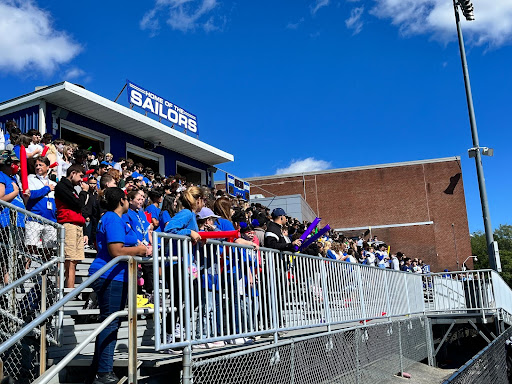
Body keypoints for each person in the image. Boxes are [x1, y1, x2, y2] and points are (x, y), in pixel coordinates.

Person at [87, 187, 148, 384]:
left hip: (117, 276)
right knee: (110, 323)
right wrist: (139, 249)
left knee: (111, 322)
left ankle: (98, 369)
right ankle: (103, 372)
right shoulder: (112, 218)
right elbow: (116, 250)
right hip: (110, 275)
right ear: (122, 200)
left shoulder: (117, 219)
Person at [55, 164, 87, 288]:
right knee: (67, 260)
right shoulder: (61, 186)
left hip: (77, 225)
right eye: (80, 176)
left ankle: (70, 290)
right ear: (72, 173)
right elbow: (77, 204)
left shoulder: (73, 189)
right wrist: (84, 193)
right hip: (68, 225)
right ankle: (63, 290)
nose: (82, 180)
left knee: (74, 260)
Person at [0, 150, 27, 283]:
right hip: (7, 222)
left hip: (19, 221)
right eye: (15, 163)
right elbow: (1, 198)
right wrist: (16, 191)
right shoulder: (1, 176)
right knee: (7, 257)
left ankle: (12, 284)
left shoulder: (14, 178)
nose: (18, 166)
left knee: (16, 255)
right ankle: (7, 285)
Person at [26, 156, 57, 259]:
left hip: (50, 221)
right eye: (36, 165)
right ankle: (26, 270)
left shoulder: (54, 184)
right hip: (34, 219)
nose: (38, 167)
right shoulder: (30, 179)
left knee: (49, 249)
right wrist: (47, 189)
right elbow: (32, 194)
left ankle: (45, 271)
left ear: (48, 167)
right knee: (30, 247)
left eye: (40, 165)